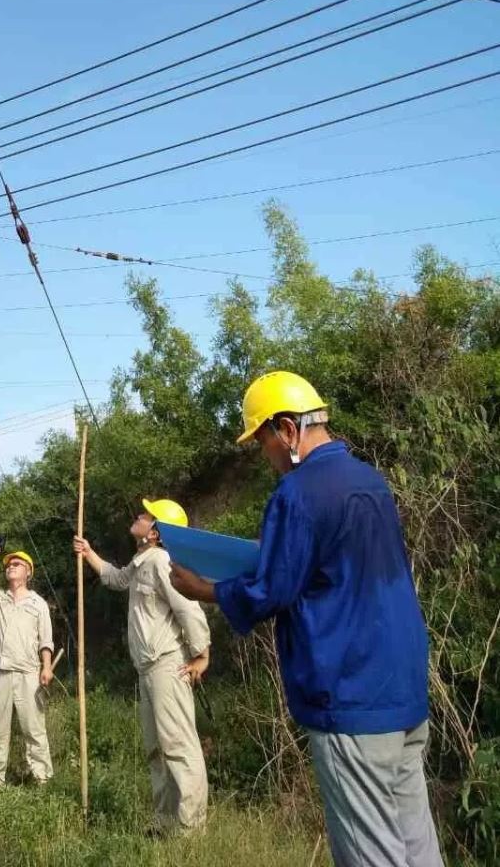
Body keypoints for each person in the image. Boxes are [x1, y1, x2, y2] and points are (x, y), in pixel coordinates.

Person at [168, 370, 443, 867]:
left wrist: (204, 590)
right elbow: (338, 570)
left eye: (263, 441)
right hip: (402, 692)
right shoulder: (370, 481)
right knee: (417, 848)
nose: (266, 456)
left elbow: (272, 591)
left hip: (349, 698)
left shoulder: (297, 493)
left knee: (372, 855)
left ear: (289, 429)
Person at [74, 498, 210, 835]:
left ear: (156, 531)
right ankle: (165, 823)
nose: (138, 516)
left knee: (178, 746)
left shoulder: (162, 561)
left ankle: (191, 830)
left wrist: (201, 654)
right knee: (157, 749)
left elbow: (188, 607)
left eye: (146, 515)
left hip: (167, 665)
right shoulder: (140, 563)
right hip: (147, 669)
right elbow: (116, 578)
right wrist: (88, 553)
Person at [0, 542, 55, 786]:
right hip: (2, 673)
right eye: (8, 565)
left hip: (29, 674)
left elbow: (46, 640)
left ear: (28, 572)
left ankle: (42, 779)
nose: (11, 567)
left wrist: (46, 667)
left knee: (34, 730)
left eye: (17, 564)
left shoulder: (38, 603)